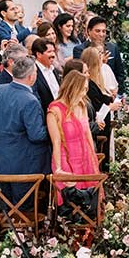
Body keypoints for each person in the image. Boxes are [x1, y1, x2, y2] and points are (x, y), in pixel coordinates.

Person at [0, 55, 52, 206]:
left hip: (0, 161)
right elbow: (36, 135)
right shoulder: (30, 100)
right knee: (22, 208)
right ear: (31, 77)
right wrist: (54, 128)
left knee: (5, 208)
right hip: (24, 164)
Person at [47, 70, 102, 206]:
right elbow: (56, 141)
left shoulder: (81, 105)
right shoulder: (54, 110)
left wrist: (93, 158)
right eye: (82, 90)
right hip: (67, 161)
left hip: (86, 159)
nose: (84, 94)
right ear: (73, 88)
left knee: (90, 200)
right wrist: (59, 168)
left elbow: (87, 133)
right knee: (72, 202)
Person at [72, 17, 127, 90]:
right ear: (89, 31)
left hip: (112, 90)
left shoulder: (112, 48)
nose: (101, 34)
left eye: (104, 31)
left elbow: (120, 73)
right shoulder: (80, 49)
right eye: (97, 31)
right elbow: (80, 74)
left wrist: (119, 92)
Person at [32, 38, 61, 111]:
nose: (53, 54)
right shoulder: (33, 72)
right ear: (38, 54)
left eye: (53, 51)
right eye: (49, 51)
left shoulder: (54, 69)